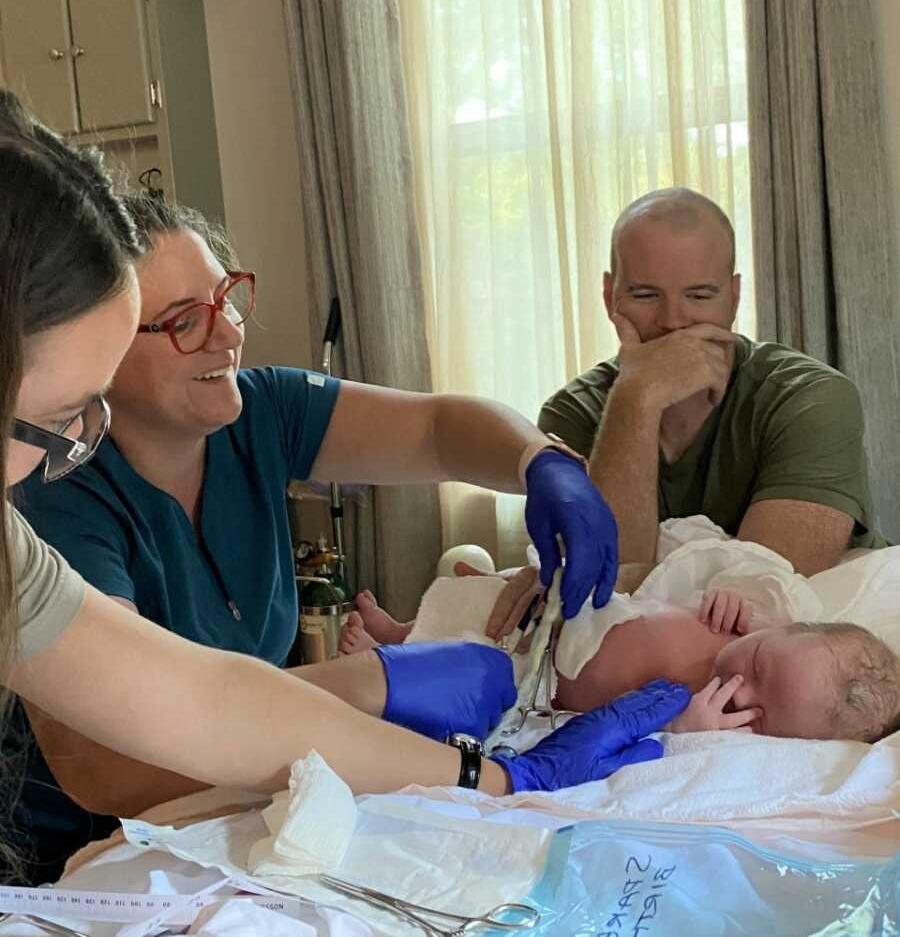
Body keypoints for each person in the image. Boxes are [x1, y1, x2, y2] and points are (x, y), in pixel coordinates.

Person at [0, 93, 690, 883]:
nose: (227, 333)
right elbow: (116, 755)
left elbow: (202, 700)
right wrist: (373, 687)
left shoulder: (243, 419)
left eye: (227, 301)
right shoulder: (64, 495)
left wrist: (540, 461)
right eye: (58, 419)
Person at [537, 188, 886, 588]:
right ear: (609, 296)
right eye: (646, 294)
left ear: (733, 298)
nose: (673, 321)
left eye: (699, 295)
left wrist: (632, 579)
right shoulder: (570, 413)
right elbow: (600, 584)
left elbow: (760, 589)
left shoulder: (810, 397)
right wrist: (636, 397)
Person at [343, 576, 900, 743]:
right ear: (789, 628)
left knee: (463, 662)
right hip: (581, 615)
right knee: (486, 602)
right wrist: (731, 585)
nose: (742, 690)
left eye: (762, 715)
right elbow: (696, 549)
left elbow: (653, 737)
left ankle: (395, 654)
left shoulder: (713, 721)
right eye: (760, 669)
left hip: (542, 681)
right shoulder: (766, 605)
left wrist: (687, 728)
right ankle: (404, 628)